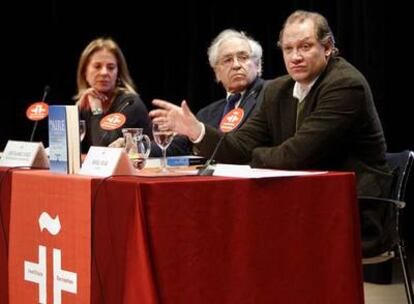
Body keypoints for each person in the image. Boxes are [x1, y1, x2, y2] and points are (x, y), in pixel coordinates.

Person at [150, 10, 393, 257]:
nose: (295, 57)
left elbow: (296, 155)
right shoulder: (278, 90)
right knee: (219, 228)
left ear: (328, 47)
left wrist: (252, 157)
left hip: (351, 211)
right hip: (303, 204)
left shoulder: (345, 85)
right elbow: (239, 147)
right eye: (288, 49)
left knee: (251, 234)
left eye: (305, 47)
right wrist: (196, 131)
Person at [151, 29, 267, 156]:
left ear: (258, 65)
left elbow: (244, 146)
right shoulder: (207, 113)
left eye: (243, 57)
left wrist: (199, 131)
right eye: (227, 60)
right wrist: (136, 148)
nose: (236, 65)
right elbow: (180, 147)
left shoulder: (270, 95)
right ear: (217, 73)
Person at [75, 37, 151, 152]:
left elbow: (105, 150)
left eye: (111, 67)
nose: (104, 72)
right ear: (84, 72)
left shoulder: (130, 103)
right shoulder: (86, 102)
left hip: (141, 167)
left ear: (118, 73)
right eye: (97, 66)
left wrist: (97, 111)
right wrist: (76, 112)